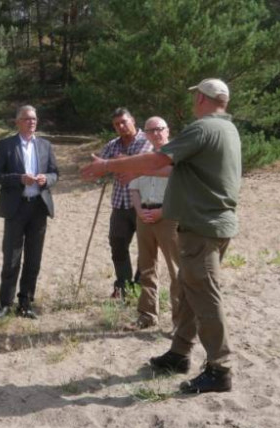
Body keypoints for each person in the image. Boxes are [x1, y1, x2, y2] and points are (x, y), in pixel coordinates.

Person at [81, 78, 241, 394]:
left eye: (195, 95)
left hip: (202, 228)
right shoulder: (227, 129)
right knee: (189, 288)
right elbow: (176, 170)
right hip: (211, 224)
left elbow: (159, 159)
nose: (193, 100)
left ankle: (220, 369)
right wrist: (134, 172)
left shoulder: (204, 129)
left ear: (202, 99)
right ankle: (179, 353)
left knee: (205, 296)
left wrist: (108, 165)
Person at [0, 105, 58, 320]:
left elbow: (55, 173)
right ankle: (5, 304)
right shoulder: (6, 145)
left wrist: (47, 179)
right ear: (17, 122)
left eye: (34, 119)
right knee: (11, 257)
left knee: (33, 259)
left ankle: (26, 303)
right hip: (15, 207)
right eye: (27, 119)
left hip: (38, 207)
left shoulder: (45, 145)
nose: (32, 122)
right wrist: (19, 178)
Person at [124, 116, 180, 331]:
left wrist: (162, 212)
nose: (156, 133)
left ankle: (179, 322)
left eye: (160, 129)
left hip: (169, 217)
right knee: (146, 267)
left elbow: (183, 188)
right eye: (151, 130)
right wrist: (139, 211)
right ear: (145, 134)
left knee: (176, 271)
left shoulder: (177, 156)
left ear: (167, 130)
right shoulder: (144, 158)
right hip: (144, 216)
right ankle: (147, 315)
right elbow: (134, 188)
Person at [97, 108, 153, 299]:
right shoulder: (113, 144)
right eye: (116, 124)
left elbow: (141, 164)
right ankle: (122, 285)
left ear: (133, 120)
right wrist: (111, 164)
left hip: (144, 203)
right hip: (120, 203)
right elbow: (99, 163)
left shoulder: (147, 140)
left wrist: (117, 163)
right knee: (117, 244)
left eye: (123, 121)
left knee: (146, 248)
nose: (121, 126)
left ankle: (138, 285)